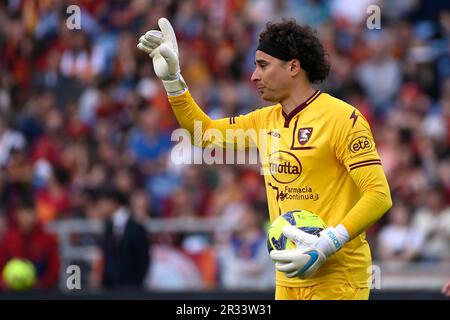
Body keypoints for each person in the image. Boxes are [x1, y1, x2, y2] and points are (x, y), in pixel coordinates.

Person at [137, 18, 392, 300]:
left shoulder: (344, 119)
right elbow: (204, 135)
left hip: (338, 277)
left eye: (262, 65)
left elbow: (379, 195)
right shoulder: (263, 121)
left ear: (293, 67)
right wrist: (174, 82)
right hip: (288, 278)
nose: (253, 76)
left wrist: (329, 243)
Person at [0, 196, 60, 290]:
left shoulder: (47, 239)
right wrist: (3, 282)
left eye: (30, 213)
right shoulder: (8, 239)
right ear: (17, 214)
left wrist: (42, 283)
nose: (27, 218)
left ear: (36, 214)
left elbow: (54, 270)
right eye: (23, 213)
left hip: (40, 293)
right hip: (10, 293)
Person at [96, 188, 150, 290]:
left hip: (132, 289)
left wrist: (135, 284)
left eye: (102, 203)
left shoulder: (136, 228)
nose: (100, 208)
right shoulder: (108, 227)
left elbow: (143, 259)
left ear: (112, 202)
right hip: (110, 289)